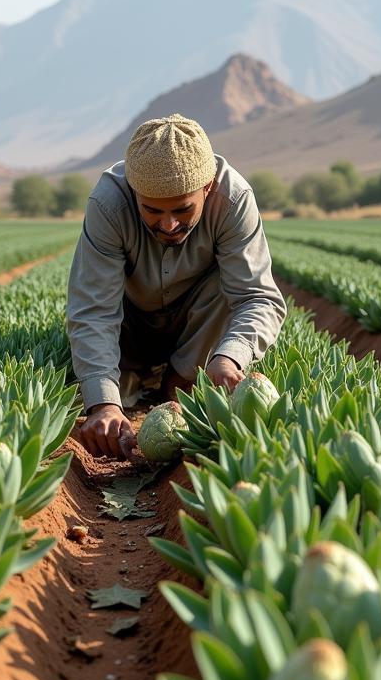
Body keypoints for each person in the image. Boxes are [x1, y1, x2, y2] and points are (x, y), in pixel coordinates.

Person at [67, 113, 286, 459]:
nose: (168, 224)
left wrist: (230, 358)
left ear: (208, 187)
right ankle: (130, 380)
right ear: (134, 190)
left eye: (183, 210)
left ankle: (178, 383)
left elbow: (258, 298)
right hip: (130, 323)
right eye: (151, 211)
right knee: (107, 398)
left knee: (223, 286)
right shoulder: (108, 204)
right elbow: (94, 310)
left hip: (196, 322)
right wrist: (103, 404)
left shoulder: (233, 199)